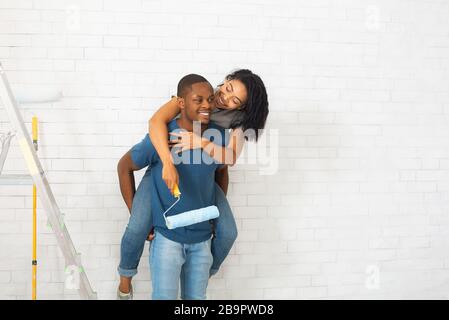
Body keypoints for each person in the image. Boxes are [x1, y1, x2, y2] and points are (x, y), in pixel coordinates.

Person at [117, 69, 269, 299]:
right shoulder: (196, 95)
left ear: (241, 108)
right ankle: (125, 282)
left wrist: (199, 143)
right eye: (227, 88)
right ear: (225, 81)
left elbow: (228, 159)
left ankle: (202, 273)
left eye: (234, 99)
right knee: (138, 226)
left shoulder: (236, 122)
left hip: (202, 172)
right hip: (167, 167)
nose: (223, 98)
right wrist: (167, 163)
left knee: (228, 232)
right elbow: (156, 121)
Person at [121, 74, 227, 299]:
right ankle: (124, 282)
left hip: (201, 241)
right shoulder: (162, 136)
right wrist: (135, 211)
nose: (207, 105)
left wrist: (214, 216)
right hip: (167, 240)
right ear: (181, 103)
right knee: (136, 228)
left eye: (210, 99)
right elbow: (124, 167)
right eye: (198, 100)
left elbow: (222, 171)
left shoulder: (217, 136)